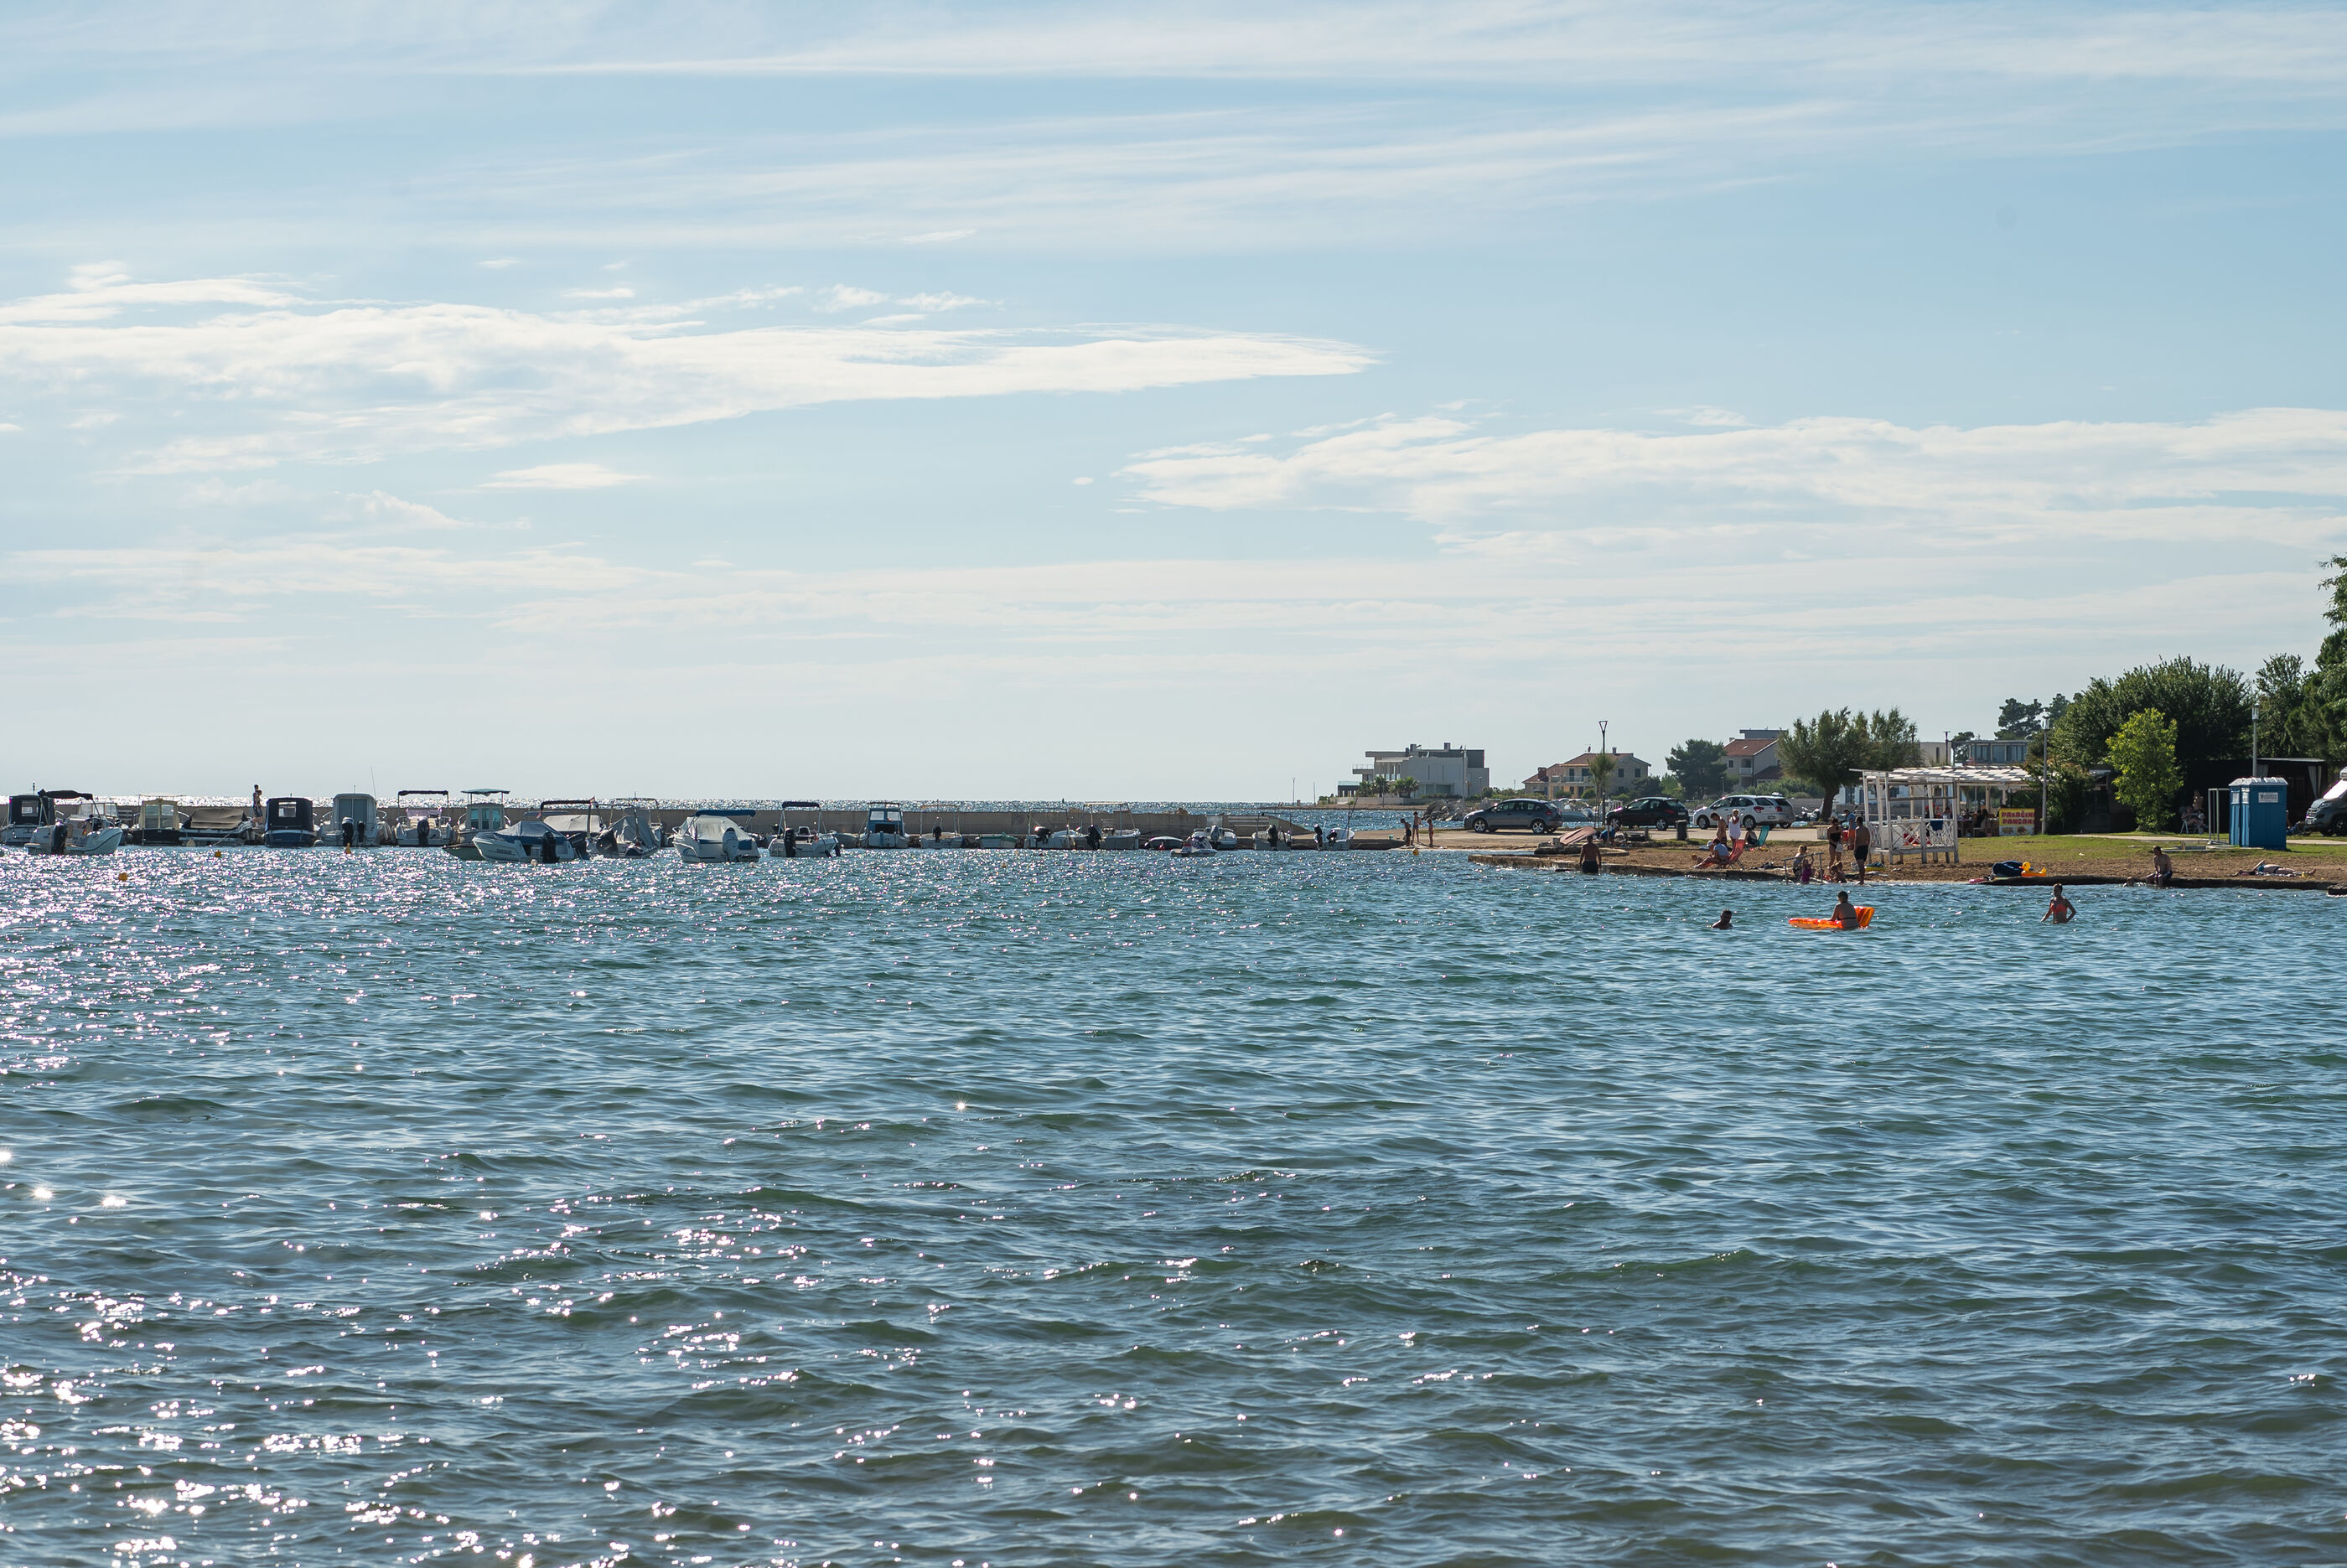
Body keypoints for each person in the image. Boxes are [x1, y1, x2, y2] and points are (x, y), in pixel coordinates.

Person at [1850, 817, 1873, 884]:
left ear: (1858, 822)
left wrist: (1855, 848)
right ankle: (1862, 880)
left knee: (1861, 866)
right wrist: (1867, 846)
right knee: (1862, 865)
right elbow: (1869, 838)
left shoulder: (1857, 829)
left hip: (1859, 848)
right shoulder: (1866, 829)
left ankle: (1861, 880)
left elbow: (1856, 840)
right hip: (1865, 847)